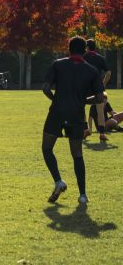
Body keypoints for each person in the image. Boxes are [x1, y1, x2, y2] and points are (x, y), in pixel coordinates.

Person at [42, 36, 104, 204]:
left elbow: (45, 88)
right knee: (77, 154)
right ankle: (83, 195)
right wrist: (84, 100)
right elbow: (100, 97)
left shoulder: (58, 64)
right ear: (85, 51)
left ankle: (58, 181)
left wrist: (55, 100)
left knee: (47, 149)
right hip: (76, 114)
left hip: (56, 112)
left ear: (68, 49)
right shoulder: (92, 71)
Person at [84, 39, 111, 141]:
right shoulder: (101, 58)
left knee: (82, 108)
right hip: (97, 87)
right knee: (100, 111)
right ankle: (102, 134)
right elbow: (108, 73)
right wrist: (103, 84)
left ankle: (86, 129)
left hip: (85, 87)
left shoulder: (83, 57)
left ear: (86, 47)